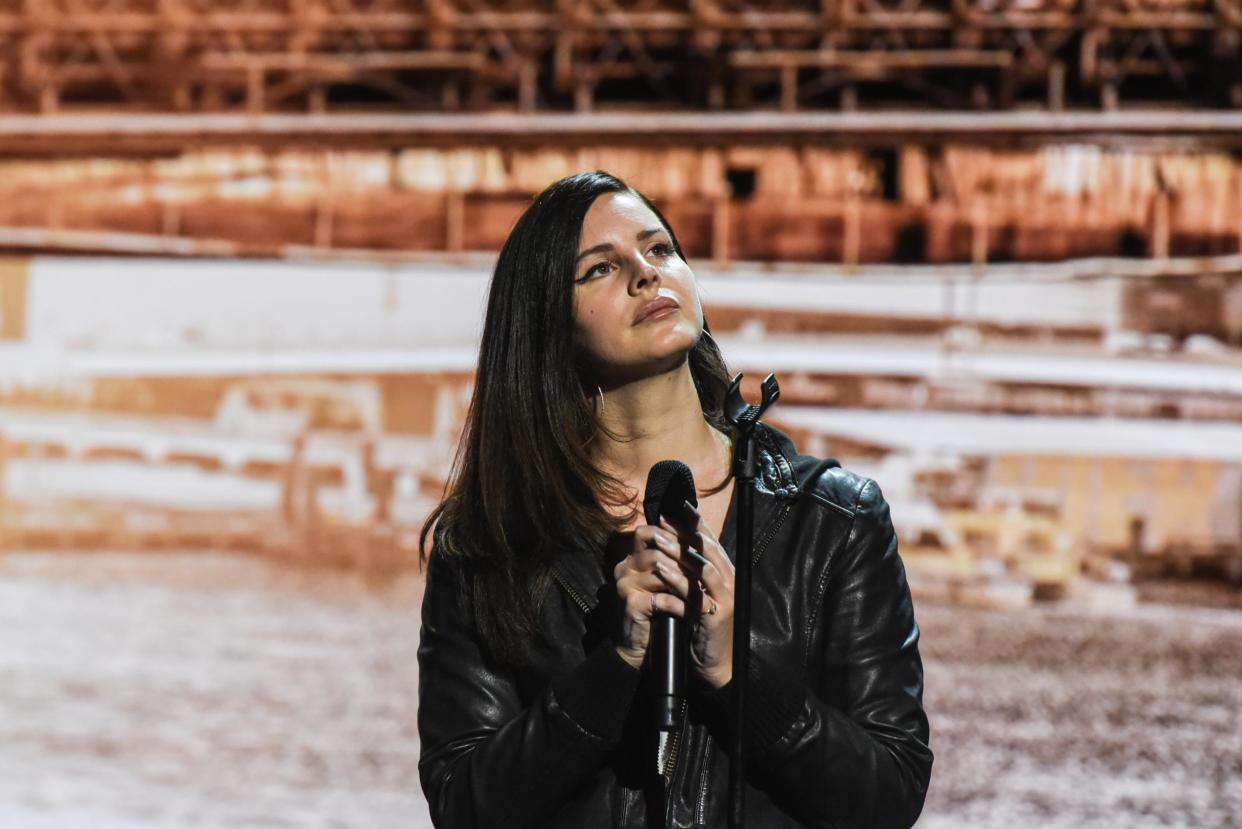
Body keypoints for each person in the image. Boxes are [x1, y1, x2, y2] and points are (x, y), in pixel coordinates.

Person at [417, 171, 932, 828]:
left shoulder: (837, 522)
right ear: (547, 325)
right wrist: (614, 667)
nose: (644, 274)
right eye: (600, 268)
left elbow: (888, 796)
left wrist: (735, 673)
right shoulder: (490, 545)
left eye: (659, 250)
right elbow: (464, 804)